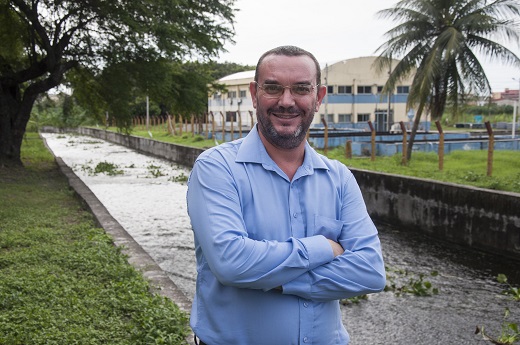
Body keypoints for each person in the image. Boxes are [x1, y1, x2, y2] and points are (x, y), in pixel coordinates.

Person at [186, 45, 386, 345]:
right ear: (254, 94)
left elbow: (370, 271)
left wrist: (277, 281)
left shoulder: (339, 178)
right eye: (273, 88)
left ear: (318, 98)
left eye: (302, 89)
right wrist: (323, 248)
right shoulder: (217, 169)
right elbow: (231, 262)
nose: (287, 101)